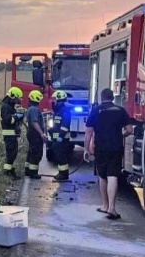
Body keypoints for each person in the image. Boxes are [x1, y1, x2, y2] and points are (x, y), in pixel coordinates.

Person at [84, 88, 133, 220]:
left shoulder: (96, 110)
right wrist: (122, 134)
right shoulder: (120, 110)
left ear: (102, 97)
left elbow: (89, 131)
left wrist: (86, 149)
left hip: (100, 147)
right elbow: (129, 129)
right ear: (112, 98)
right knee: (113, 175)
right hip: (116, 147)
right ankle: (112, 207)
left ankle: (105, 205)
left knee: (102, 176)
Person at [1, 87, 24, 179]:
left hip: (12, 135)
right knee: (10, 154)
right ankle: (7, 172)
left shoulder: (9, 107)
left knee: (13, 154)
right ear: (12, 96)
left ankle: (9, 171)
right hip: (9, 135)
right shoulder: (6, 107)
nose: (18, 101)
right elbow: (8, 120)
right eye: (17, 98)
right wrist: (17, 116)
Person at [25, 90, 47, 179]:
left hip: (32, 133)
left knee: (31, 152)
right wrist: (42, 134)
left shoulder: (31, 109)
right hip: (35, 134)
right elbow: (35, 122)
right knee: (36, 153)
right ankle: (33, 173)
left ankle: (28, 170)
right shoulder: (34, 109)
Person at [51, 91, 73, 182]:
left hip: (62, 138)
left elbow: (65, 125)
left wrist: (60, 136)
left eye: (55, 100)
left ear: (59, 100)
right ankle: (61, 173)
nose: (54, 102)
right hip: (58, 137)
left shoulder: (64, 111)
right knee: (58, 155)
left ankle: (63, 174)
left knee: (61, 156)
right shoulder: (59, 110)